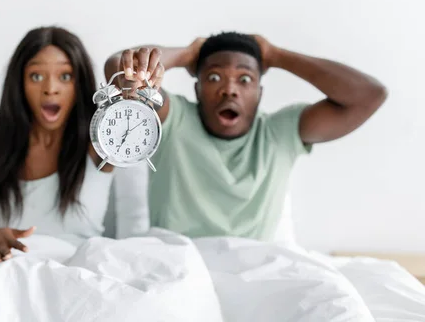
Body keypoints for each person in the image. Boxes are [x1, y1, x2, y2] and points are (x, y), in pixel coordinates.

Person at [104, 32, 387, 240]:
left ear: (260, 93)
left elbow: (369, 96)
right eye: (214, 78)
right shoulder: (174, 118)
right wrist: (187, 53)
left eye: (245, 79)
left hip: (256, 272)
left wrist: (277, 55)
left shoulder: (279, 133)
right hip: (177, 264)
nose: (230, 90)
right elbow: (120, 71)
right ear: (197, 89)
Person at [0, 26, 114, 267]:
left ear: (80, 83)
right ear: (19, 84)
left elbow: (132, 93)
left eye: (65, 76)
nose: (50, 88)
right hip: (8, 275)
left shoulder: (101, 143)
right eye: (36, 76)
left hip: (78, 276)